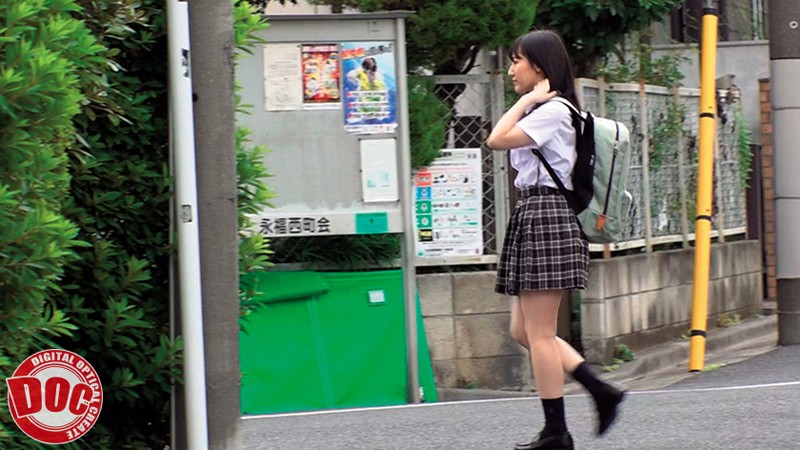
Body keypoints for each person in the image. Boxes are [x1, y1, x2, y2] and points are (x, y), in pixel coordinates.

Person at [486, 29, 625, 450]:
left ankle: (556, 432)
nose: (511, 69)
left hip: (547, 215)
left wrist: (527, 100)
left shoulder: (553, 111)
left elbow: (496, 139)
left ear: (540, 67)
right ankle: (600, 390)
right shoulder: (547, 110)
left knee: (541, 334)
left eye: (517, 61)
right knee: (523, 330)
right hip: (535, 213)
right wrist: (530, 101)